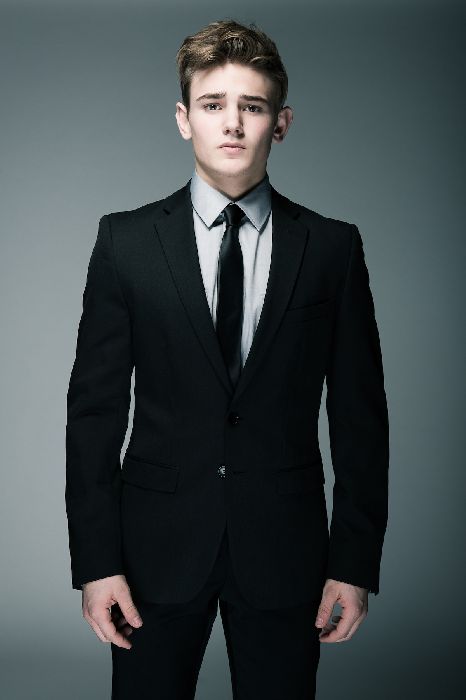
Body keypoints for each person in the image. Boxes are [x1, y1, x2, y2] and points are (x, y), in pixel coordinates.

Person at [65, 18, 389, 700]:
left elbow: (361, 418)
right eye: (213, 105)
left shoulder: (332, 249)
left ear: (282, 123)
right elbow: (94, 415)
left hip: (286, 550)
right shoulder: (125, 243)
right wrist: (96, 563)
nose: (233, 124)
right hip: (153, 554)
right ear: (184, 119)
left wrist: (354, 563)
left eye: (253, 106)